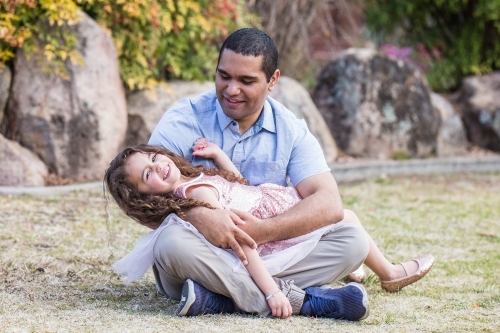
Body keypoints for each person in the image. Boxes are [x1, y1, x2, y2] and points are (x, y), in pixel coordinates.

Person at [143, 27, 431, 319]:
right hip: (201, 253)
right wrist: (201, 216)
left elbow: (328, 202)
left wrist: (264, 230)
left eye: (246, 80)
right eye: (224, 76)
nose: (231, 90)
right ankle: (301, 300)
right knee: (170, 244)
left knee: (353, 243)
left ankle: (218, 299)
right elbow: (137, 191)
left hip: (268, 253)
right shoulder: (183, 119)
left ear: (273, 81)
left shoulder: (291, 130)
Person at [105, 140, 434, 319]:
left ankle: (217, 301)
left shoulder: (193, 176)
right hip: (259, 251)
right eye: (148, 175)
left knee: (350, 230)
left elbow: (240, 187)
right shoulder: (195, 194)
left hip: (271, 217)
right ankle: (301, 300)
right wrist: (273, 292)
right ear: (143, 198)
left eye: (152, 157)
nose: (158, 166)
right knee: (346, 218)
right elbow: (243, 242)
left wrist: (220, 156)